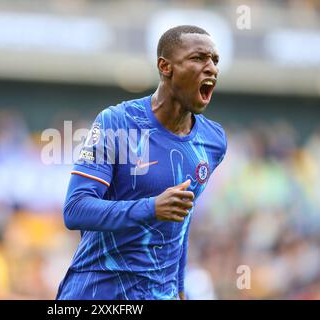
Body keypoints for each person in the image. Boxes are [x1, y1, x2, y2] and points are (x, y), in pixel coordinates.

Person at [57, 25, 227, 300]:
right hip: (99, 293)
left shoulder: (213, 140)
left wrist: (180, 288)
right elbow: (76, 210)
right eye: (198, 58)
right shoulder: (118, 124)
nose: (211, 68)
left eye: (215, 61)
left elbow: (179, 223)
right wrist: (151, 207)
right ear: (165, 67)